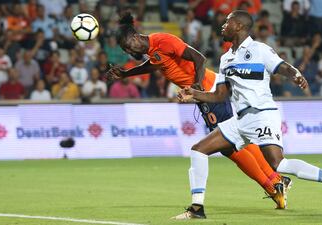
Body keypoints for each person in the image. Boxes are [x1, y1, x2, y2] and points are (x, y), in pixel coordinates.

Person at [177, 10, 322, 219]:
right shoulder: (226, 58)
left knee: (279, 164)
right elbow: (220, 95)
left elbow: (283, 67)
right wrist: (194, 95)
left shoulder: (259, 50)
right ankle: (197, 209)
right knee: (199, 150)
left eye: (228, 22)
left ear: (240, 26)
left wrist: (296, 75)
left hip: (262, 115)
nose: (223, 25)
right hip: (241, 120)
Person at [106, 13, 290, 214]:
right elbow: (153, 65)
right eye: (125, 50)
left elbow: (199, 59)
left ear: (135, 36)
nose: (129, 51)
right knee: (235, 142)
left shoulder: (163, 40)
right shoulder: (154, 51)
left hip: (209, 88)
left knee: (230, 146)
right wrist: (126, 73)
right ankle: (276, 180)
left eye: (128, 45)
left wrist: (197, 86)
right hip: (205, 93)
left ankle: (273, 184)